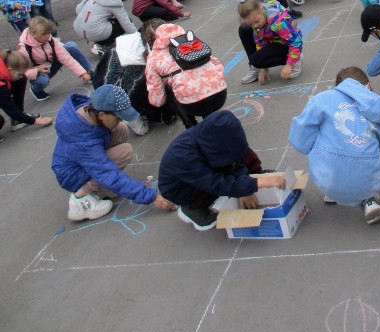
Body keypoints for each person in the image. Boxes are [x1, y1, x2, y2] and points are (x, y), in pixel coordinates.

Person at [289, 66, 380, 224]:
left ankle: (334, 190)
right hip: (368, 181)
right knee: (372, 153)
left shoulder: (320, 100)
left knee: (322, 136)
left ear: (338, 87)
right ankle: (369, 199)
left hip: (325, 178)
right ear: (368, 86)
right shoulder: (378, 109)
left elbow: (300, 142)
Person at [51, 84, 175, 221]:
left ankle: (102, 187)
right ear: (102, 114)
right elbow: (107, 173)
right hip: (72, 176)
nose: (121, 119)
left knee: (121, 129)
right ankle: (80, 200)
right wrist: (152, 197)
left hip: (79, 162)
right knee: (124, 152)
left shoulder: (90, 110)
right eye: (118, 116)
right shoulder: (84, 141)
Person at [158, 109, 286, 231]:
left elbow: (234, 158)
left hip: (203, 166)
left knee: (241, 152)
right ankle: (192, 209)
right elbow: (215, 183)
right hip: (181, 189)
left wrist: (245, 184)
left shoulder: (212, 135)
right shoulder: (184, 157)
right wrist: (256, 184)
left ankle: (251, 177)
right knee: (215, 185)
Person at [145, 23, 227, 128]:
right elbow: (216, 63)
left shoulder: (153, 57)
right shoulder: (192, 41)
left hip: (193, 104)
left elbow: (158, 99)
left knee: (170, 88)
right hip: (220, 92)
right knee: (194, 83)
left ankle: (191, 126)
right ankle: (213, 122)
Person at [18, 16, 92, 102]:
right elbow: (22, 72)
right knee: (42, 81)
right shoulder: (24, 49)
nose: (48, 36)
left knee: (71, 46)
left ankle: (88, 72)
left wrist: (81, 73)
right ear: (34, 35)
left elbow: (65, 57)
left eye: (49, 33)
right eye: (44, 35)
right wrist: (38, 70)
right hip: (38, 71)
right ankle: (36, 90)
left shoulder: (49, 38)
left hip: (51, 63)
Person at [237, 0, 303, 84]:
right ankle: (255, 68)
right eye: (251, 24)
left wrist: (289, 64)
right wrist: (263, 66)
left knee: (255, 60)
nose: (255, 26)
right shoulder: (258, 19)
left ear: (261, 9)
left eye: (256, 21)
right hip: (273, 41)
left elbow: (296, 42)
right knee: (243, 29)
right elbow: (260, 41)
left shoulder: (279, 22)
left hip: (287, 44)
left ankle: (296, 60)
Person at [73, 0, 137, 52]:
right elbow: (127, 25)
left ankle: (99, 42)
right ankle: (102, 45)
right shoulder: (114, 1)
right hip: (94, 32)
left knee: (106, 20)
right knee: (126, 22)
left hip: (79, 28)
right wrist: (139, 37)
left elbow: (78, 9)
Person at [0, 49, 53, 135]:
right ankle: (19, 118)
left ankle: (18, 121)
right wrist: (38, 121)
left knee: (20, 80)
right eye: (19, 74)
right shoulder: (1, 87)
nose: (20, 76)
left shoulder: (3, 66)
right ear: (9, 69)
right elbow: (12, 112)